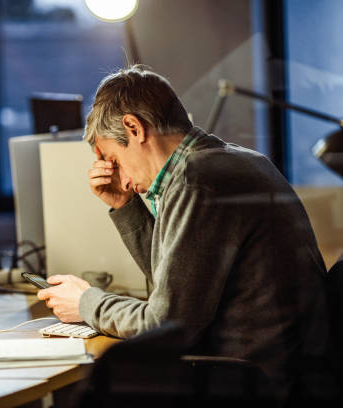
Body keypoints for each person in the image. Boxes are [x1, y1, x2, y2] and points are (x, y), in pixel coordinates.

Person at [37, 65, 331, 394]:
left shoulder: (199, 180)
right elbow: (176, 283)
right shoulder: (237, 161)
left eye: (114, 161)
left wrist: (85, 302)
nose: (120, 179)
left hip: (254, 384)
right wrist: (125, 206)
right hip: (284, 373)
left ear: (134, 128)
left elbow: (165, 325)